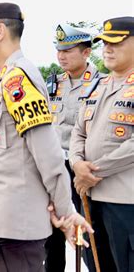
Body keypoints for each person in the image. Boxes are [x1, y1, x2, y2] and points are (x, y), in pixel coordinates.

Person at [0, 3, 93, 271]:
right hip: (10, 221)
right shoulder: (9, 76)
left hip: (17, 225)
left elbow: (47, 152)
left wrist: (66, 212)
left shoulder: (18, 79)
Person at [70, 16, 134, 272]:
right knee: (97, 264)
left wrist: (93, 171)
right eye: (105, 42)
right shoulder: (98, 85)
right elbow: (78, 130)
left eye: (116, 42)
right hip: (91, 197)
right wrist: (76, 163)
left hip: (125, 201)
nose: (107, 48)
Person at [44, 23, 106, 272]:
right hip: (56, 168)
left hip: (82, 170)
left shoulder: (101, 85)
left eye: (68, 50)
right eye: (59, 50)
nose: (61, 56)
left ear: (86, 52)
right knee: (53, 236)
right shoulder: (53, 84)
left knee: (88, 238)